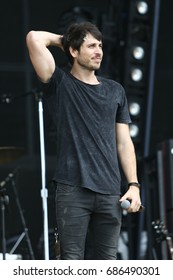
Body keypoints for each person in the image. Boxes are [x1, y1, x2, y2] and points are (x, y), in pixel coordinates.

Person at [26, 21, 142, 260]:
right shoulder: (60, 82)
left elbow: (124, 142)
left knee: (107, 265)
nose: (99, 51)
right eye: (90, 46)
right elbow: (33, 38)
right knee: (72, 263)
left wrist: (134, 185)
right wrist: (67, 39)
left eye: (100, 45)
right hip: (72, 189)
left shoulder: (115, 90)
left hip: (110, 191)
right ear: (74, 51)